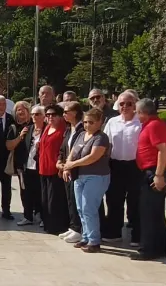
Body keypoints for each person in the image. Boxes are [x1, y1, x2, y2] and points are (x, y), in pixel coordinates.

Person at [131, 98, 166, 261]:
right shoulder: (153, 125)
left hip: (153, 172)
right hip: (152, 171)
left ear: (143, 112)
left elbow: (163, 149)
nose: (135, 114)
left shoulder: (155, 125)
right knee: (155, 213)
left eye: (137, 111)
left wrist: (159, 174)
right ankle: (158, 248)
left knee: (149, 213)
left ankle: (148, 249)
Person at [63, 108, 111, 253]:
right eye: (85, 122)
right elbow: (72, 151)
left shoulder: (101, 137)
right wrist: (67, 166)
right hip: (79, 176)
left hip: (96, 176)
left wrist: (73, 164)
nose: (87, 125)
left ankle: (94, 241)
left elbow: (93, 156)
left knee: (89, 208)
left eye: (91, 122)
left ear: (99, 123)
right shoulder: (82, 134)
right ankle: (85, 236)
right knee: (80, 208)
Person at [103, 91, 142, 246]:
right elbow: (107, 144)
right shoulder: (112, 122)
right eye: (122, 104)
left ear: (135, 105)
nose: (125, 106)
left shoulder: (140, 122)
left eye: (129, 103)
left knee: (135, 201)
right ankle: (113, 232)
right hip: (116, 165)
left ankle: (136, 235)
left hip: (135, 166)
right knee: (113, 200)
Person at [57, 101, 86, 244]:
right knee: (69, 198)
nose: (64, 115)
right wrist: (60, 161)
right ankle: (73, 226)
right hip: (67, 169)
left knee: (77, 200)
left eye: (66, 112)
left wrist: (68, 166)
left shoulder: (82, 129)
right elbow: (64, 148)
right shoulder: (69, 129)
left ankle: (79, 229)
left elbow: (78, 150)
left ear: (75, 113)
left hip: (77, 170)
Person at [38, 104, 69, 235]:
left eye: (53, 115)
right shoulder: (47, 128)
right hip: (43, 168)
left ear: (60, 116)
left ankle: (57, 226)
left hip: (55, 169)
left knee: (55, 200)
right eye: (48, 115)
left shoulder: (64, 130)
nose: (50, 117)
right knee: (45, 199)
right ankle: (47, 223)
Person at [18, 105, 46, 226]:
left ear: (43, 116)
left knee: (41, 193)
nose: (34, 117)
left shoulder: (47, 129)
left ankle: (42, 217)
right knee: (26, 193)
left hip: (41, 167)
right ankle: (27, 216)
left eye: (38, 114)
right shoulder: (27, 129)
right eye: (33, 114)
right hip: (27, 166)